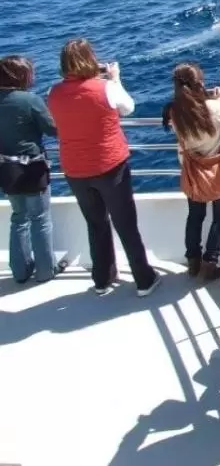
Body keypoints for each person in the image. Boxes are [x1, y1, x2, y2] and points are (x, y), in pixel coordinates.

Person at [47, 39, 160, 297]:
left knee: (95, 223)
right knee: (125, 224)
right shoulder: (105, 87)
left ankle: (102, 279)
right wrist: (115, 78)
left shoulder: (53, 93)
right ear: (90, 59)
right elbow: (128, 108)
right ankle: (144, 280)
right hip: (110, 167)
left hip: (75, 170)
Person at [162, 62, 220, 281]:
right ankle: (209, 264)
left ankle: (193, 262)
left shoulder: (173, 110)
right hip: (215, 168)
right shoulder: (212, 107)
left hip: (192, 169)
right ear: (200, 83)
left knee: (195, 215)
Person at [0, 55, 66, 284]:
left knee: (19, 218)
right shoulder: (29, 100)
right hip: (31, 167)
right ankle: (46, 271)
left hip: (6, 169)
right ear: (21, 76)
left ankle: (20, 272)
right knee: (40, 219)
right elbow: (52, 129)